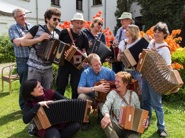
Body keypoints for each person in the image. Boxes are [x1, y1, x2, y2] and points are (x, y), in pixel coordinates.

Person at [141, 22, 171, 137]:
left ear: (164, 34)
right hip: (146, 77)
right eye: (155, 31)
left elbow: (168, 67)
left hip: (156, 80)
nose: (156, 33)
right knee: (145, 100)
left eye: (159, 32)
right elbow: (147, 56)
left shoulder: (165, 49)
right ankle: (146, 122)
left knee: (157, 104)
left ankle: (161, 128)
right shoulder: (152, 43)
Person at [21, 8, 61, 89]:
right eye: (54, 19)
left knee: (46, 93)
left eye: (58, 19)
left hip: (48, 69)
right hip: (34, 68)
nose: (57, 21)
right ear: (47, 19)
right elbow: (23, 42)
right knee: (33, 93)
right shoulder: (37, 28)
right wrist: (39, 39)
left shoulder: (57, 34)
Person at [101, 71, 148, 138]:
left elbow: (139, 112)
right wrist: (106, 115)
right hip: (116, 126)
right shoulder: (113, 93)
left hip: (130, 129)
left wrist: (144, 120)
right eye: (115, 81)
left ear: (125, 83)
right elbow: (106, 106)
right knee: (105, 122)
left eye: (118, 81)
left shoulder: (134, 95)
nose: (115, 83)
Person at [77, 53, 115, 130]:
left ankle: (100, 115)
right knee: (81, 97)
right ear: (90, 66)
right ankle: (85, 120)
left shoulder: (108, 71)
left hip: (104, 100)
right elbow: (79, 90)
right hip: (92, 99)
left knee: (105, 117)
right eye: (95, 65)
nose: (99, 67)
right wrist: (95, 88)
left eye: (99, 64)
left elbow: (118, 82)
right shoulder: (86, 73)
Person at [56, 12, 89, 99]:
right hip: (64, 64)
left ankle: (74, 107)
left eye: (81, 23)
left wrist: (84, 61)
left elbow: (85, 51)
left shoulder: (84, 36)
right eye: (77, 22)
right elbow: (58, 47)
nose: (79, 25)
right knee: (61, 85)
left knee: (75, 87)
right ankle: (58, 106)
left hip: (77, 66)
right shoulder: (64, 33)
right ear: (72, 22)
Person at [8, 8, 32, 111]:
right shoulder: (13, 28)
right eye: (20, 16)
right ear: (15, 18)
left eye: (24, 15)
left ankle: (32, 104)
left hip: (33, 58)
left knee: (33, 83)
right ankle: (23, 107)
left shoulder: (30, 26)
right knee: (25, 84)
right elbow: (17, 42)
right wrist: (28, 38)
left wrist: (24, 39)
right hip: (22, 60)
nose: (23, 17)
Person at [117, 24, 142, 95]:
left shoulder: (139, 42)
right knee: (125, 89)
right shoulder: (123, 43)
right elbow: (118, 58)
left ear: (132, 31)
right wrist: (120, 56)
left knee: (139, 90)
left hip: (137, 70)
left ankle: (139, 105)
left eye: (127, 30)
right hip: (126, 70)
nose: (125, 31)